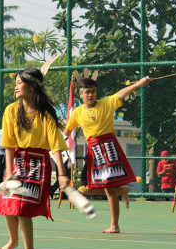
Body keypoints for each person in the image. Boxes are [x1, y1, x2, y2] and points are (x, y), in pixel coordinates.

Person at [0, 67, 68, 249]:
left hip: (38, 164)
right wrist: (8, 172)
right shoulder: (10, 110)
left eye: (19, 83)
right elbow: (8, 144)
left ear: (32, 86)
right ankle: (13, 240)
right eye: (15, 83)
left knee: (22, 206)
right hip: (17, 161)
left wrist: (62, 174)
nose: (15, 86)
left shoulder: (46, 114)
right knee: (7, 201)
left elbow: (56, 146)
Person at [64, 71, 152, 233]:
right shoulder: (76, 112)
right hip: (91, 151)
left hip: (108, 148)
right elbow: (67, 132)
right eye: (87, 92)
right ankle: (121, 190)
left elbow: (120, 93)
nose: (90, 95)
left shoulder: (106, 103)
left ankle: (114, 225)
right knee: (84, 187)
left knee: (109, 188)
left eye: (93, 92)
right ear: (80, 94)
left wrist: (139, 83)